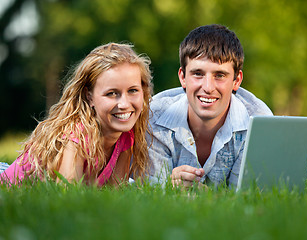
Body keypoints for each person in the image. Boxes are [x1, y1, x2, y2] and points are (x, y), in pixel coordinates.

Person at [0, 43, 153, 186]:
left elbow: (114, 195)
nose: (124, 104)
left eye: (133, 91)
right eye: (112, 93)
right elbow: (68, 196)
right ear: (89, 96)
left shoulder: (126, 135)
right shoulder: (77, 136)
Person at [147, 24, 273, 188]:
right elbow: (151, 188)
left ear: (236, 81)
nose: (207, 87)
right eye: (198, 73)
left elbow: (247, 196)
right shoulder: (155, 116)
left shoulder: (258, 122)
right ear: (183, 77)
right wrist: (168, 185)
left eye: (219, 75)